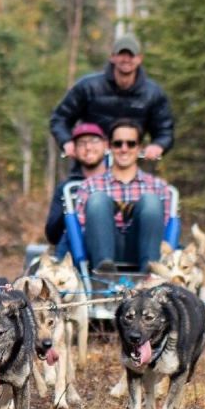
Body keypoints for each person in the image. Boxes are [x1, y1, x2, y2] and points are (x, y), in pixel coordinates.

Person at [50, 33, 175, 165]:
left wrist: (158, 145)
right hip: (89, 164)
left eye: (131, 55)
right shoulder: (87, 87)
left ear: (139, 58)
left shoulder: (153, 93)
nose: (126, 59)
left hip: (131, 165)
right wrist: (67, 142)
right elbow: (60, 118)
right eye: (121, 54)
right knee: (68, 186)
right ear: (112, 57)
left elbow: (165, 129)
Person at [74, 118, 171, 273]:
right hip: (101, 247)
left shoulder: (159, 187)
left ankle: (150, 271)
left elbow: (162, 231)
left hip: (144, 246)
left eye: (131, 143)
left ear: (139, 147)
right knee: (98, 199)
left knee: (151, 201)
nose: (124, 149)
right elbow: (82, 230)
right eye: (118, 143)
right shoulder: (89, 186)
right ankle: (104, 269)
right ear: (109, 146)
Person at [44, 122, 108, 259]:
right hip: (75, 251)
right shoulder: (67, 188)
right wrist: (70, 208)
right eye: (81, 143)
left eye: (94, 141)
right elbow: (52, 235)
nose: (88, 147)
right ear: (74, 150)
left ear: (105, 145)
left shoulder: (118, 184)